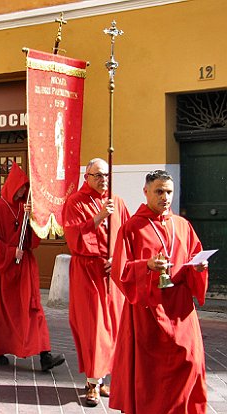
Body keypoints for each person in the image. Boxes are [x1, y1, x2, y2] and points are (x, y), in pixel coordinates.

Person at [110, 170, 209, 414]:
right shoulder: (132, 227)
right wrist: (147, 266)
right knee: (151, 373)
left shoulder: (182, 225)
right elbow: (120, 270)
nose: (165, 197)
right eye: (159, 192)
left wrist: (198, 267)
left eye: (168, 192)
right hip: (148, 310)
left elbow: (193, 257)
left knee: (191, 362)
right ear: (146, 192)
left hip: (181, 308)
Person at [0, 162, 65, 371]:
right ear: (11, 186)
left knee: (33, 310)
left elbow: (35, 241)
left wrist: (33, 218)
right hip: (4, 271)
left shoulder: (25, 208)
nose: (23, 191)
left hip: (24, 269)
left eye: (25, 187)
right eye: (20, 187)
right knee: (1, 314)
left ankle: (45, 355)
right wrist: (10, 252)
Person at [62, 158, 130, 406]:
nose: (103, 180)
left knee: (114, 326)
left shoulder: (117, 201)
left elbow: (127, 234)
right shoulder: (75, 202)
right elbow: (73, 236)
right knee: (94, 328)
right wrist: (99, 217)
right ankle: (92, 382)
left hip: (113, 274)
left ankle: (103, 378)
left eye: (106, 175)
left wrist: (118, 257)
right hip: (88, 273)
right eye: (98, 175)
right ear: (86, 177)